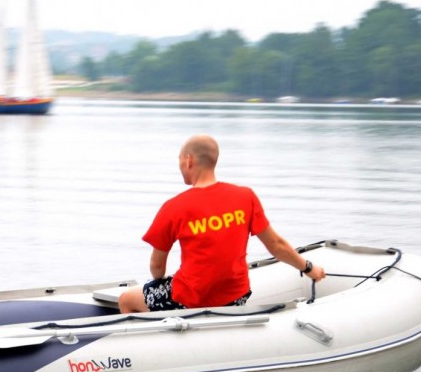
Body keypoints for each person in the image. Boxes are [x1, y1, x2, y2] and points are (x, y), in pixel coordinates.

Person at [118, 134, 326, 313]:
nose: (179, 165)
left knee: (126, 300)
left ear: (188, 161)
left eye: (179, 160)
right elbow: (276, 245)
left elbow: (156, 266)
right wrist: (309, 268)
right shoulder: (246, 197)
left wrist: (159, 281)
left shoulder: (174, 207)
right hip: (236, 297)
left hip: (190, 299)